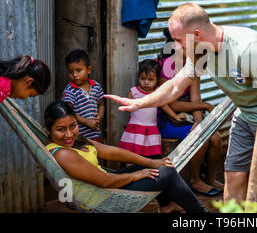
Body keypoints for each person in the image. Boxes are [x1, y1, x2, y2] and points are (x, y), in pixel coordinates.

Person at [105, 2, 257, 213]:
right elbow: (175, 86)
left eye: (179, 40)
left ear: (197, 34)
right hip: (246, 112)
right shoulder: (201, 51)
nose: (177, 46)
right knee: (233, 174)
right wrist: (138, 102)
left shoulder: (247, 49)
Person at [44, 100, 208, 213]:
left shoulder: (76, 141)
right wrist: (136, 175)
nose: (69, 134)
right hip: (103, 198)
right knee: (168, 174)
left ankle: (167, 207)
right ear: (48, 130)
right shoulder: (63, 153)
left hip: (108, 184)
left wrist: (151, 162)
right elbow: (105, 181)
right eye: (61, 129)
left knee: (159, 165)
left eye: (73, 126)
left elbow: (113, 152)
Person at [157, 28, 223, 195]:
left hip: (186, 116)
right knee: (200, 139)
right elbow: (173, 105)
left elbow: (195, 99)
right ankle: (194, 180)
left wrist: (198, 122)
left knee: (215, 138)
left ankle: (209, 178)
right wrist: (205, 107)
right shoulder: (166, 67)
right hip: (167, 119)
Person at [119, 59, 185, 157]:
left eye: (150, 80)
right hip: (136, 129)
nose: (146, 82)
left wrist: (175, 116)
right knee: (132, 156)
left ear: (157, 80)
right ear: (138, 78)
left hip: (151, 129)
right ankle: (131, 171)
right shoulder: (133, 92)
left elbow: (164, 105)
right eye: (143, 79)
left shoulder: (156, 93)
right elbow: (127, 104)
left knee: (149, 156)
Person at [62, 49, 105, 141]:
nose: (74, 75)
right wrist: (87, 122)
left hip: (94, 134)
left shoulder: (96, 86)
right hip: (78, 137)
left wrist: (100, 116)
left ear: (89, 70)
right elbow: (69, 112)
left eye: (78, 70)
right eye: (70, 71)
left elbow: (101, 104)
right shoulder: (70, 90)